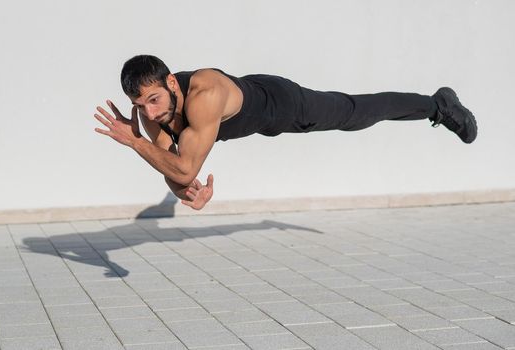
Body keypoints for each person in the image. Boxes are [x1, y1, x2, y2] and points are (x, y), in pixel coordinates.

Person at [94, 55, 477, 210]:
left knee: (354, 112)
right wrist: (189, 194)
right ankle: (435, 105)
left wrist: (135, 143)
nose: (149, 111)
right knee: (353, 113)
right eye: (141, 104)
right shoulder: (149, 111)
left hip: (282, 103)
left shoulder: (203, 96)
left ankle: (438, 105)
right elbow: (176, 171)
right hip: (254, 103)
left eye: (155, 100)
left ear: (172, 83)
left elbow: (181, 167)